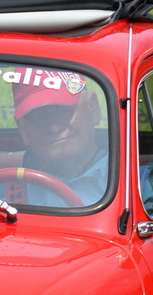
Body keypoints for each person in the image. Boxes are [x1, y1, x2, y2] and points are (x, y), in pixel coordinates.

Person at [11, 72, 108, 207]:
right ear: (22, 129)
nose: (54, 128)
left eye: (64, 112)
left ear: (93, 108)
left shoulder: (132, 180)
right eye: (38, 118)